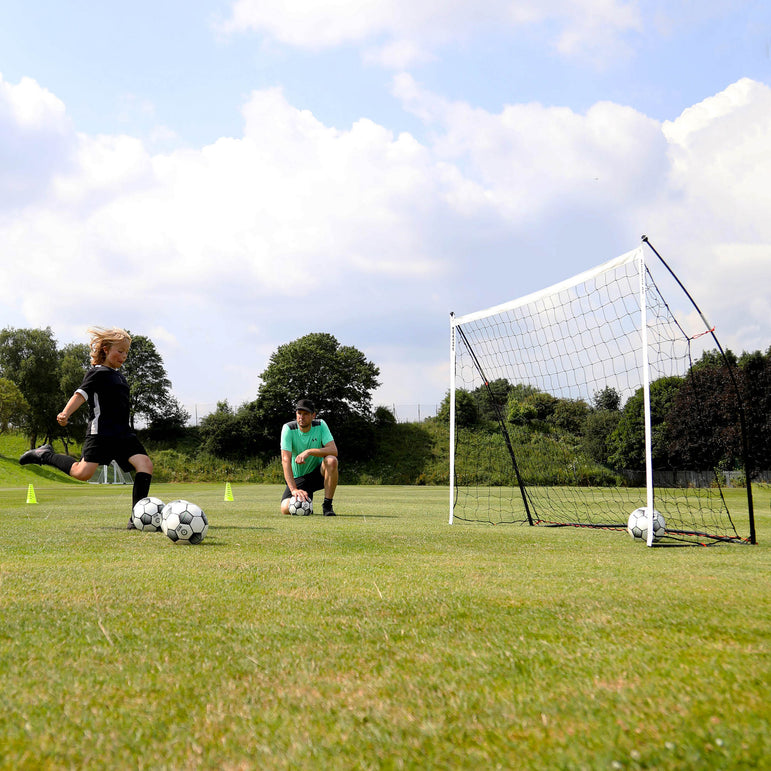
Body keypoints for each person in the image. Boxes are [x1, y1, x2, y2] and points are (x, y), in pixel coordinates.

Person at [19, 327, 154, 529]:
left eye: (126, 353)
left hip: (124, 434)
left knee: (145, 465)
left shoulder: (120, 377)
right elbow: (80, 394)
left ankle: (137, 519)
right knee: (83, 473)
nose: (124, 356)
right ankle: (43, 455)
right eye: (120, 351)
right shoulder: (97, 373)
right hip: (101, 434)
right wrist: (66, 413)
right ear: (106, 349)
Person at [280, 398, 338, 516]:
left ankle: (327, 506)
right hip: (298, 478)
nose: (302, 417)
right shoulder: (288, 429)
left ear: (313, 416)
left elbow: (333, 450)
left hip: (318, 475)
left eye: (306, 414)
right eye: (299, 413)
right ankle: (307, 504)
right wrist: (294, 490)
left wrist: (309, 451)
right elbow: (285, 460)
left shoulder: (320, 425)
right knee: (285, 509)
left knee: (331, 460)